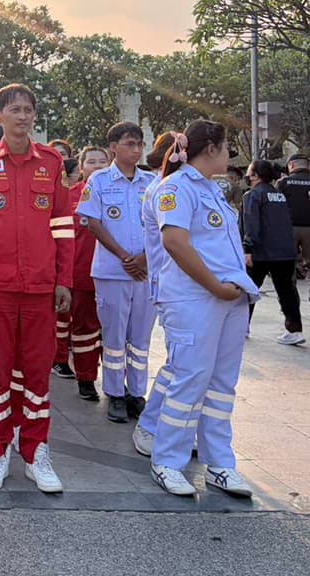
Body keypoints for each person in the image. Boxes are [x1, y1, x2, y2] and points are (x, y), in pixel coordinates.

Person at [0, 84, 71, 493]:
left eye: (28, 110)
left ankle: (37, 451)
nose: (22, 117)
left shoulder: (52, 163)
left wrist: (64, 280)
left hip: (40, 289)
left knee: (38, 374)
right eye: (14, 110)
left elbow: (63, 227)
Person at [148, 121, 259, 498]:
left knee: (221, 385)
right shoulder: (175, 188)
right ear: (210, 148)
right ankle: (168, 460)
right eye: (228, 148)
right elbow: (175, 242)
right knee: (190, 379)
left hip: (230, 298)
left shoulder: (212, 191)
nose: (230, 157)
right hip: (195, 298)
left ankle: (220, 464)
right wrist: (214, 286)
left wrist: (230, 288)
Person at [77, 122, 158, 424]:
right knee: (113, 337)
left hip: (146, 272)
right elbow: (92, 222)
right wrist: (125, 256)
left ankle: (137, 393)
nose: (136, 150)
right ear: (113, 147)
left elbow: (164, 225)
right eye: (129, 144)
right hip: (112, 272)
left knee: (140, 338)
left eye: (139, 144)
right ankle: (115, 394)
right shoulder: (98, 181)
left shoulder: (152, 182)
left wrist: (146, 259)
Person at [130, 131, 179, 458]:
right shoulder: (163, 190)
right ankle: (150, 424)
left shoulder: (205, 190)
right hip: (178, 288)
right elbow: (171, 242)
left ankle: (181, 429)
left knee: (192, 368)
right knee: (181, 365)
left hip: (202, 292)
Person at [65, 146, 109, 402]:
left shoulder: (118, 195)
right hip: (81, 274)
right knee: (84, 329)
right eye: (91, 162)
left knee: (113, 332)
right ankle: (86, 377)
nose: (97, 166)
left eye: (102, 161)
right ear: (81, 167)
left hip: (116, 274)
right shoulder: (70, 196)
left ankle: (116, 383)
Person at [243, 160, 304, 345]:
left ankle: (240, 326)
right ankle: (295, 330)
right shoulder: (279, 195)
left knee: (248, 290)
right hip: (284, 251)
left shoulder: (253, 195)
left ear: (254, 175)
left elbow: (251, 223)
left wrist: (247, 248)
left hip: (262, 252)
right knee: (287, 291)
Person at [276, 154, 310, 316]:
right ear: (309, 165)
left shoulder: (283, 183)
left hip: (288, 229)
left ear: (291, 165)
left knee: (287, 264)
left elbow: (275, 204)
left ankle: (289, 301)